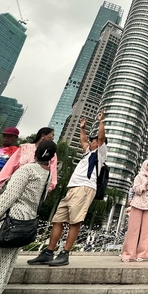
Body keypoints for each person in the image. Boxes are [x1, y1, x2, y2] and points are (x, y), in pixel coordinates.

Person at [0, 140, 56, 294]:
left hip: (7, 223)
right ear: (51, 158)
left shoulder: (27, 171)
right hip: (24, 224)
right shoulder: (47, 175)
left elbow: (9, 196)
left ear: (35, 153)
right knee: (2, 270)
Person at [27, 111, 107, 267]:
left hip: (85, 188)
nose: (91, 142)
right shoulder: (87, 153)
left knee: (74, 221)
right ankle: (49, 252)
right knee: (58, 220)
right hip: (73, 188)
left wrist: (101, 122)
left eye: (94, 140)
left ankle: (65, 253)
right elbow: (83, 141)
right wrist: (82, 128)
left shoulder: (100, 154)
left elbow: (102, 138)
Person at [0, 127, 57, 193]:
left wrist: (49, 187)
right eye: (52, 135)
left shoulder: (51, 154)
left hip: (34, 190)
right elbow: (10, 166)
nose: (53, 138)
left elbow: (53, 172)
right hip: (13, 184)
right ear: (43, 136)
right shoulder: (25, 148)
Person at [121, 160, 148, 262]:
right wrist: (147, 182)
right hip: (138, 204)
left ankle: (142, 254)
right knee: (133, 230)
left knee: (146, 231)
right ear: (144, 166)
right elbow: (137, 190)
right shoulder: (138, 177)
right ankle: (128, 254)